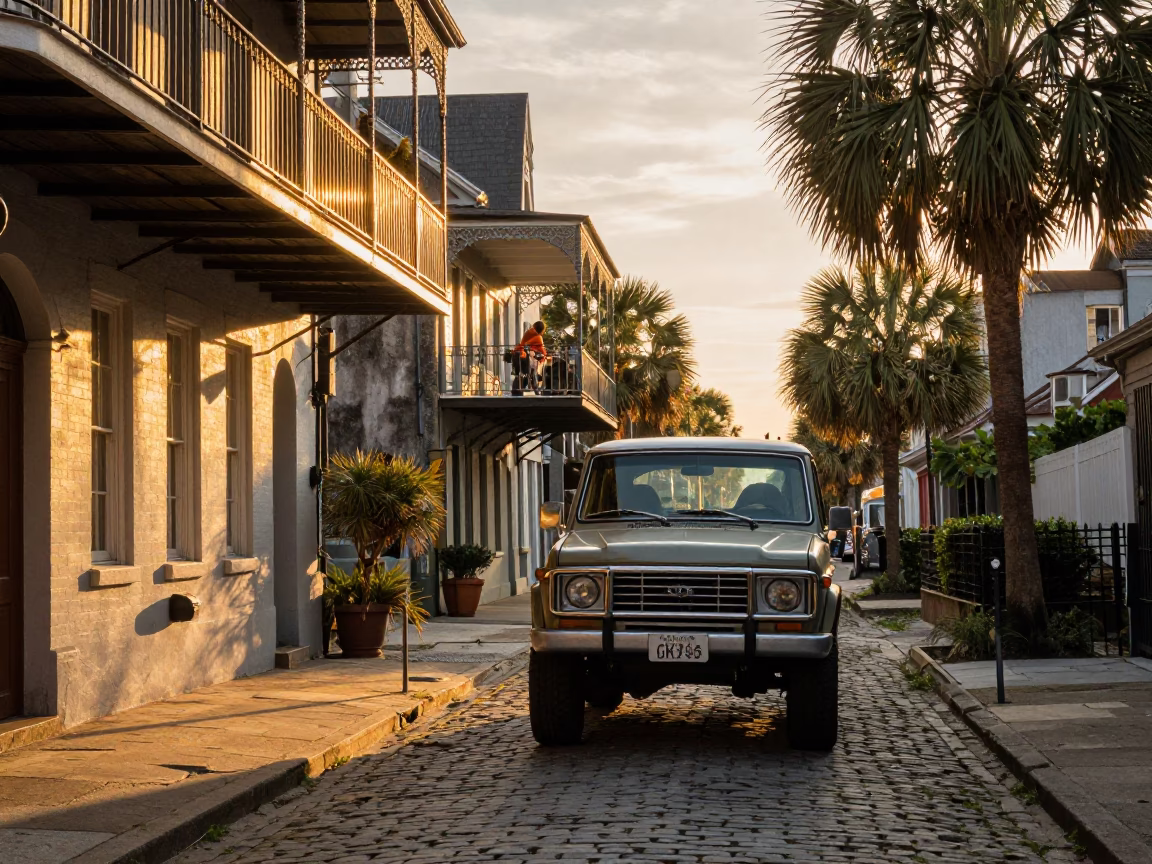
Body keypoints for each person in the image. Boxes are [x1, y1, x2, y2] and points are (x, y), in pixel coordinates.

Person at [512, 321, 548, 394]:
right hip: (526, 356)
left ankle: (521, 390)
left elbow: (526, 344)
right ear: (541, 330)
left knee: (524, 374)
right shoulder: (538, 337)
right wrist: (535, 352)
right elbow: (530, 345)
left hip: (521, 355)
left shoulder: (530, 333)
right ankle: (535, 389)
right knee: (530, 373)